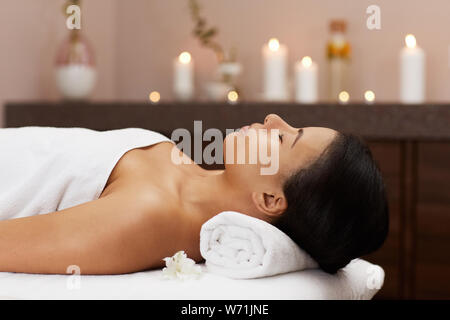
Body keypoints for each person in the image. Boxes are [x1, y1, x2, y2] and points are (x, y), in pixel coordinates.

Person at [0, 114, 388, 275]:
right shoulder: (183, 168)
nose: (272, 120)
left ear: (271, 200)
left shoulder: (151, 216)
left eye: (285, 137)